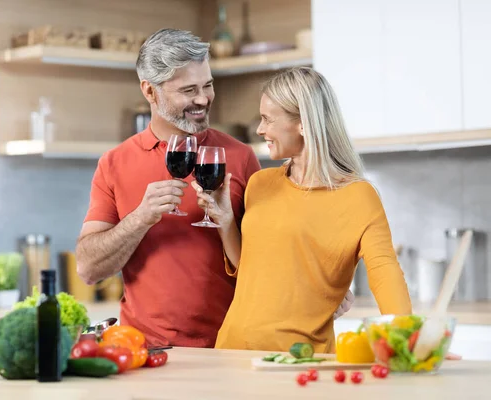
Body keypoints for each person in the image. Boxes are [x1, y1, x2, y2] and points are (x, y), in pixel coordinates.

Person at [76, 29, 354, 348]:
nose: (202, 99)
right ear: (150, 92)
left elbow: (276, 250)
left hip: (233, 346)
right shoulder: (114, 164)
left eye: (208, 85)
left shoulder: (240, 156)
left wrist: (324, 283)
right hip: (148, 350)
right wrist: (140, 218)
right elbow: (89, 269)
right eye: (188, 90)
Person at [193, 66, 412, 353]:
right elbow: (252, 269)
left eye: (268, 120)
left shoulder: (359, 197)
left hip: (300, 361)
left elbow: (385, 273)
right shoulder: (260, 183)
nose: (260, 130)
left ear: (304, 124)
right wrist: (225, 220)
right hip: (231, 351)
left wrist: (408, 339)